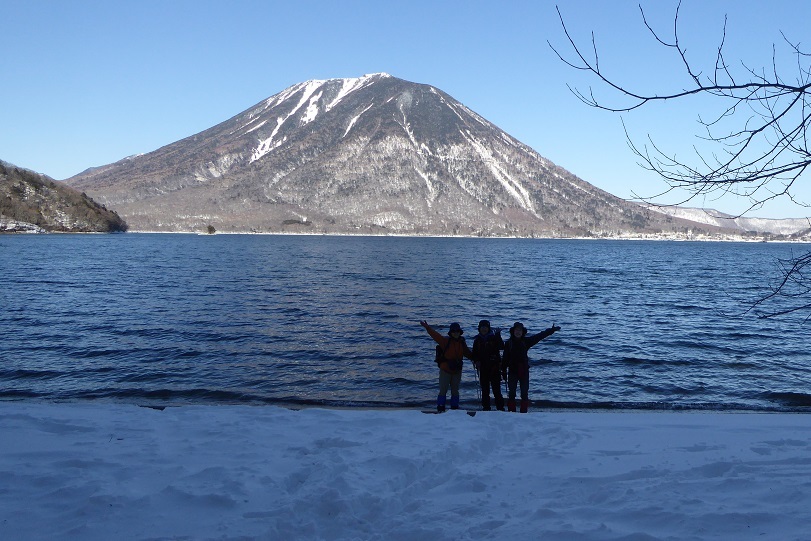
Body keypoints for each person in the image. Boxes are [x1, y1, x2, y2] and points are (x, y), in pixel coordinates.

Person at [502, 321, 561, 413]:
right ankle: (511, 412)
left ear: (523, 332)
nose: (518, 332)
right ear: (513, 331)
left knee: (524, 393)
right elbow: (505, 359)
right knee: (512, 393)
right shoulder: (508, 343)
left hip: (524, 371)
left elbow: (539, 336)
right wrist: (503, 371)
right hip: (512, 371)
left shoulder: (526, 341)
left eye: (520, 331)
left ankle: (524, 412)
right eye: (516, 330)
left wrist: (551, 330)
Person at [419, 320, 473, 412]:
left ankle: (454, 408)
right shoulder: (445, 341)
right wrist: (427, 328)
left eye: (457, 331)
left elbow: (468, 353)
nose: (455, 333)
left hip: (457, 370)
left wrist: (477, 359)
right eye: (453, 331)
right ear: (450, 332)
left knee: (455, 390)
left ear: (460, 332)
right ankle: (440, 407)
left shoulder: (462, 342)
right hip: (445, 370)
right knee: (443, 390)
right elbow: (435, 336)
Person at [471, 320, 505, 411]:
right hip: (483, 369)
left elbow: (501, 346)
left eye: (485, 327)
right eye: (482, 327)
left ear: (488, 328)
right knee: (485, 391)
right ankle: (486, 408)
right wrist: (476, 361)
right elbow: (474, 354)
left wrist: (498, 335)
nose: (484, 329)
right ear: (479, 328)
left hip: (494, 368)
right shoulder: (477, 340)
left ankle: (500, 408)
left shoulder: (494, 338)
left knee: (497, 391)